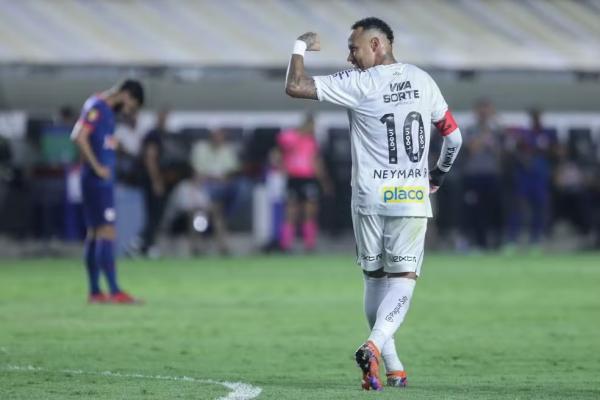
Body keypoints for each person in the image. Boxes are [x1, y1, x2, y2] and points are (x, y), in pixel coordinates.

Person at [285, 18, 462, 390]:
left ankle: (394, 367)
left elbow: (295, 85)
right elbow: (454, 138)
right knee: (403, 280)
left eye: (354, 48)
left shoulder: (358, 85)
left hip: (368, 197)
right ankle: (375, 346)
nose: (350, 57)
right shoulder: (423, 80)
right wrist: (438, 176)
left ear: (378, 44)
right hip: (411, 197)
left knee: (375, 279)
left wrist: (300, 45)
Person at [71, 79, 144, 304]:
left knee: (95, 233)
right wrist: (98, 167)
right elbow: (78, 136)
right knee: (107, 232)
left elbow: (97, 141)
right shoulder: (97, 106)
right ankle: (114, 291)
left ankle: (95, 292)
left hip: (96, 181)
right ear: (126, 95)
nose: (127, 111)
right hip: (98, 181)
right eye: (131, 106)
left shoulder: (104, 110)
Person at [277, 114, 332, 251]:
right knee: (291, 213)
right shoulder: (289, 136)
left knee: (310, 212)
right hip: (294, 178)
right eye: (312, 125)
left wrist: (324, 181)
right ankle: (285, 244)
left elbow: (316, 163)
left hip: (308, 179)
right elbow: (279, 151)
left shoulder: (312, 142)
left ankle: (309, 244)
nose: (313, 128)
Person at [189, 128, 242, 254]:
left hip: (219, 191)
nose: (218, 139)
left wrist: (216, 178)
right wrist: (211, 178)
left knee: (216, 210)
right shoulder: (200, 149)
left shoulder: (227, 150)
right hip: (200, 189)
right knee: (199, 213)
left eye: (221, 136)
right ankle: (196, 246)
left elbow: (230, 174)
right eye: (215, 136)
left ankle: (222, 246)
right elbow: (197, 175)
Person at [462, 99, 505, 250]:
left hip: (492, 175)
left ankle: (496, 243)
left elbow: (500, 154)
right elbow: (472, 149)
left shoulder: (497, 131)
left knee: (494, 209)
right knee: (477, 210)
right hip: (475, 175)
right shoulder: (470, 129)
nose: (484, 114)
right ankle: (479, 243)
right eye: (482, 110)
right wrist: (485, 134)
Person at [128, 109, 170, 258]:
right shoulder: (153, 135)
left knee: (154, 216)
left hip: (150, 180)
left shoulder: (158, 135)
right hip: (151, 180)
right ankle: (138, 243)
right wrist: (156, 181)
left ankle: (148, 246)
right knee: (154, 215)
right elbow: (150, 159)